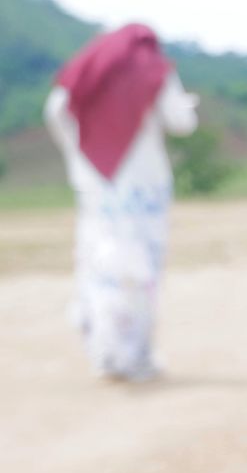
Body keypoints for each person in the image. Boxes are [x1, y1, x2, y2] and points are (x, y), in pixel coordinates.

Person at [44, 23, 198, 382]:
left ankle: (104, 353)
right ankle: (135, 357)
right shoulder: (153, 70)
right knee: (139, 273)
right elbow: (181, 121)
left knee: (100, 266)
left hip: (95, 187)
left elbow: (55, 111)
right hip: (143, 190)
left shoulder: (84, 71)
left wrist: (78, 155)